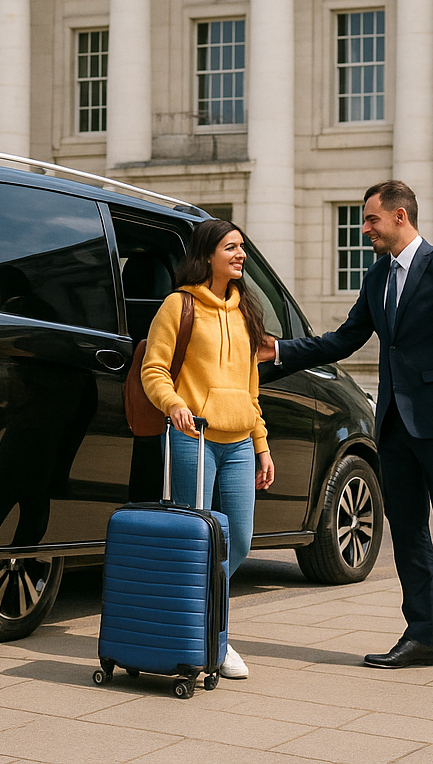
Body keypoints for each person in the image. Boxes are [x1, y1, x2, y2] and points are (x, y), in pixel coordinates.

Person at [259, 181, 433, 671]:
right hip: (394, 424)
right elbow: (346, 339)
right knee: (409, 530)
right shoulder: (377, 275)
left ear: (400, 216)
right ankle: (422, 636)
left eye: (371, 219)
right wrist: (280, 350)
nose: (365, 229)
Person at [141, 218, 275, 680]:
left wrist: (261, 445)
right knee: (193, 542)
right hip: (192, 439)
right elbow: (154, 369)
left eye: (241, 247)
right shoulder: (178, 305)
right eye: (231, 247)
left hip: (238, 443)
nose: (241, 255)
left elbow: (251, 389)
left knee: (239, 540)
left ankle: (198, 621)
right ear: (207, 255)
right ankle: (205, 635)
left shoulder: (246, 311)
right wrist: (174, 404)